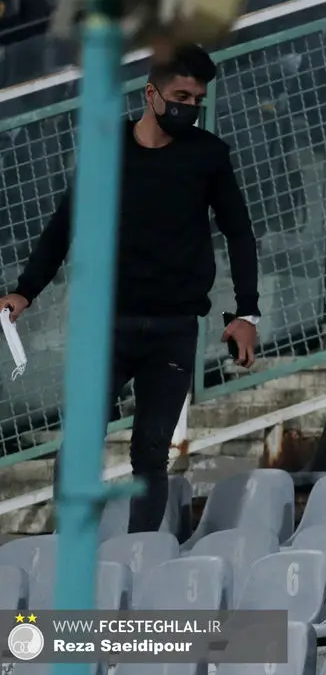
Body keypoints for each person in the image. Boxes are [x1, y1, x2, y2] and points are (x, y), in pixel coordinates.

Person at [0, 45, 261, 533]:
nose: (189, 107)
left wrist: (247, 313)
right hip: (105, 324)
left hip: (174, 328)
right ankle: (71, 546)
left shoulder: (208, 156)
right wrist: (25, 290)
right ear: (150, 94)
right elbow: (65, 223)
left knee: (152, 452)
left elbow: (240, 233)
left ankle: (138, 557)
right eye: (180, 96)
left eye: (197, 99)